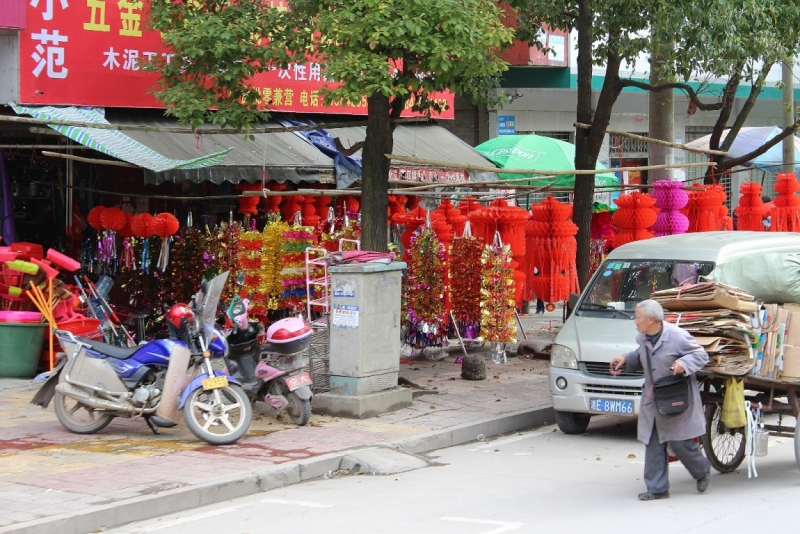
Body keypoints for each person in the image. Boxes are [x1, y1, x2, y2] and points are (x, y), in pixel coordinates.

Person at [609, 299, 711, 501]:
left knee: (680, 442)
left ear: (650, 319)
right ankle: (657, 488)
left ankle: (702, 470)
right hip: (653, 398)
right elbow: (641, 355)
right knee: (653, 442)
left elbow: (701, 355)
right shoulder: (643, 337)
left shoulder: (677, 336)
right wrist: (626, 359)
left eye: (637, 317)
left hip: (676, 397)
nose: (634, 321)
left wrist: (683, 362)